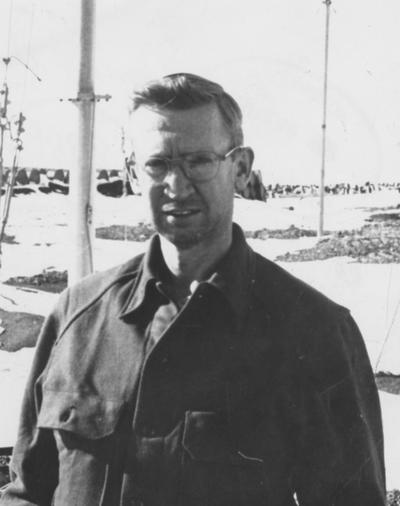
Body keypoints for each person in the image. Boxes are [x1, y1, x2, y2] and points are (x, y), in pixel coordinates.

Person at [0, 73, 385, 506]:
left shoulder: (315, 331)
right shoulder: (78, 316)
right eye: (157, 164)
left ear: (240, 168)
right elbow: (28, 492)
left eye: (199, 161)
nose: (177, 186)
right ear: (132, 172)